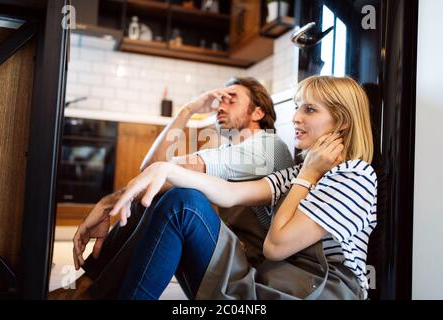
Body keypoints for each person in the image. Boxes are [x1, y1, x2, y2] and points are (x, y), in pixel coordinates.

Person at [97, 75, 378, 300]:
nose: (295, 118)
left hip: (308, 291)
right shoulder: (298, 171)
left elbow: (276, 247)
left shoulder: (354, 176)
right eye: (296, 107)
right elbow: (230, 194)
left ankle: (91, 286)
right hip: (271, 281)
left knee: (179, 201)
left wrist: (307, 176)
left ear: (341, 122)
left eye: (310, 109)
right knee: (177, 198)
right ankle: (92, 285)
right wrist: (165, 169)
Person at [53, 77, 294, 299]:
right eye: (221, 100)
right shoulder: (230, 152)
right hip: (231, 258)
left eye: (232, 100)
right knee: (159, 193)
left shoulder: (268, 146)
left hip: (256, 272)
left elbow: (162, 170)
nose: (221, 106)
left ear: (258, 112)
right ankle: (84, 287)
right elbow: (152, 170)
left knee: (181, 200)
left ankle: (89, 294)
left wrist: (107, 204)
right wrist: (188, 110)